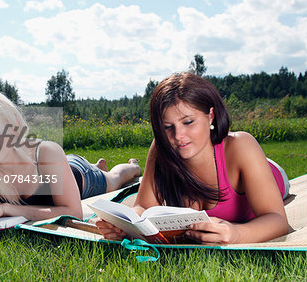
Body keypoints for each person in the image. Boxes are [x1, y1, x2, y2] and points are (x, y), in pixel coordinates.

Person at [96, 72, 290, 245]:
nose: (179, 135)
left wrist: (236, 233)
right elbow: (143, 207)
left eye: (188, 122)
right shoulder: (161, 147)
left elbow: (277, 220)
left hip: (269, 172)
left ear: (211, 116)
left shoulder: (241, 146)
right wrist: (125, 226)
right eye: (167, 126)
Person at [0, 88, 141, 223]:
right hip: (60, 168)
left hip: (79, 177)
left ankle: (130, 165)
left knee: (115, 178)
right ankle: (98, 165)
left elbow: (74, 213)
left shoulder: (47, 151)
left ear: (12, 125)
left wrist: (6, 208)